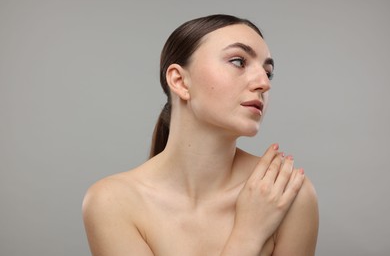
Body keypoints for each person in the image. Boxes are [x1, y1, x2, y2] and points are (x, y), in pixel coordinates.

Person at [82, 14, 319, 256]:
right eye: (239, 61)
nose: (263, 83)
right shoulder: (113, 202)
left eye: (268, 73)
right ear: (180, 81)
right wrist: (248, 234)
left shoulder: (286, 194)